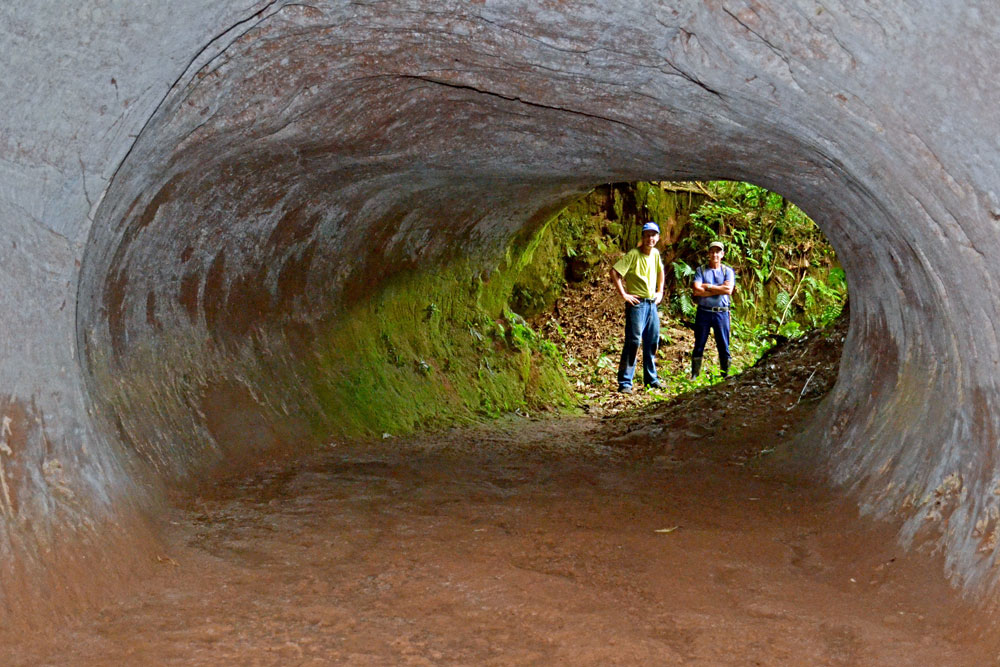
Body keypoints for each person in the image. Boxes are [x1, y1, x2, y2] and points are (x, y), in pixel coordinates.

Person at [610, 221, 665, 393]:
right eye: (647, 235)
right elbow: (615, 272)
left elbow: (660, 271)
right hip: (637, 304)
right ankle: (625, 382)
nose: (650, 238)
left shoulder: (655, 254)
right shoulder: (634, 254)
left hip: (651, 304)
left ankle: (651, 379)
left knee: (652, 341)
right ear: (643, 237)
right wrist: (624, 294)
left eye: (653, 235)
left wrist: (660, 291)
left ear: (658, 237)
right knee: (634, 341)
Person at [691, 240, 735, 378]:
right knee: (699, 343)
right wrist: (718, 289)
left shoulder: (727, 271)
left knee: (723, 344)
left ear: (722, 254)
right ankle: (695, 375)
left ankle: (725, 374)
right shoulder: (701, 270)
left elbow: (728, 290)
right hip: (703, 312)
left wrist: (707, 287)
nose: (715, 254)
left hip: (721, 312)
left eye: (717, 252)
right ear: (708, 254)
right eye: (712, 251)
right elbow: (696, 290)